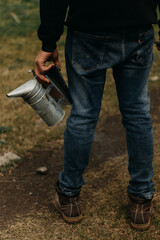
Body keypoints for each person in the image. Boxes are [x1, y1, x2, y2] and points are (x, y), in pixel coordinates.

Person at [35, 0, 160, 230]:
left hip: (88, 29)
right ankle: (141, 200)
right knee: (138, 113)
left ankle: (69, 195)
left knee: (84, 114)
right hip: (138, 27)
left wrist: (48, 40)